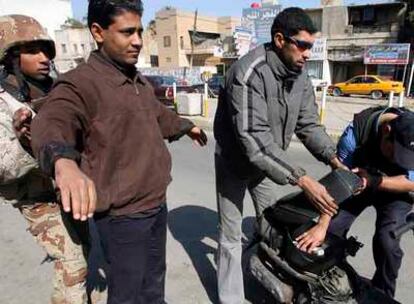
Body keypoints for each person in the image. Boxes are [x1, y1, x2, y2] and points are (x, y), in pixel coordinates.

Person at [30, 1, 207, 303]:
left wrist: (185, 126)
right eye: (127, 32)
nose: (138, 40)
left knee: (153, 287)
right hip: (123, 217)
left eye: (139, 31)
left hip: (155, 204)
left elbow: (158, 115)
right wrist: (63, 161)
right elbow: (52, 121)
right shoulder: (80, 82)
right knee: (127, 294)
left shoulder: (135, 79)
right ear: (98, 32)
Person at [213, 7, 346, 304]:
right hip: (234, 162)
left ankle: (269, 277)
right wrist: (303, 179)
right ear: (279, 40)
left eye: (311, 46)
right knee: (231, 234)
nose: (308, 53)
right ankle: (230, 298)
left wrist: (334, 158)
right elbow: (255, 143)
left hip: (268, 165)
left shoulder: (299, 76)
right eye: (302, 45)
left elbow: (308, 124)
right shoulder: (248, 73)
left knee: (273, 223)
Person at [0, 14, 89, 304]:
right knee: (73, 261)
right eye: (32, 51)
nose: (43, 58)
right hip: (33, 196)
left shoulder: (55, 89)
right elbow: (4, 171)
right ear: (12, 56)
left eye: (46, 51)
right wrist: (26, 143)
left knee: (83, 250)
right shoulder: (5, 102)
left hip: (66, 188)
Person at [322, 106, 414, 298]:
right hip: (356, 182)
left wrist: (374, 181)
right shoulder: (354, 135)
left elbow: (411, 182)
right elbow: (339, 178)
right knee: (332, 227)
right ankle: (332, 275)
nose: (400, 162)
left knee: (388, 240)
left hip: (395, 190)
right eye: (396, 155)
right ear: (386, 131)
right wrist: (322, 223)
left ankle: (383, 294)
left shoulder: (411, 135)